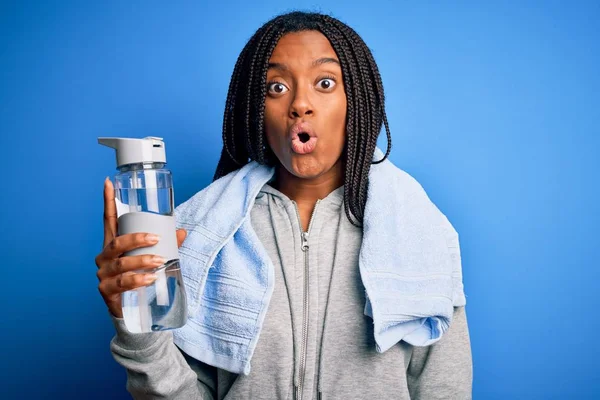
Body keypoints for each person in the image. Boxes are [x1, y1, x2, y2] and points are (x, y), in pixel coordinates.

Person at [95, 11, 472, 400]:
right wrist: (135, 324)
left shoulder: (417, 230)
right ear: (254, 110)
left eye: (325, 83)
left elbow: (444, 388)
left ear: (357, 102)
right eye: (275, 88)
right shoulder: (204, 236)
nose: (300, 104)